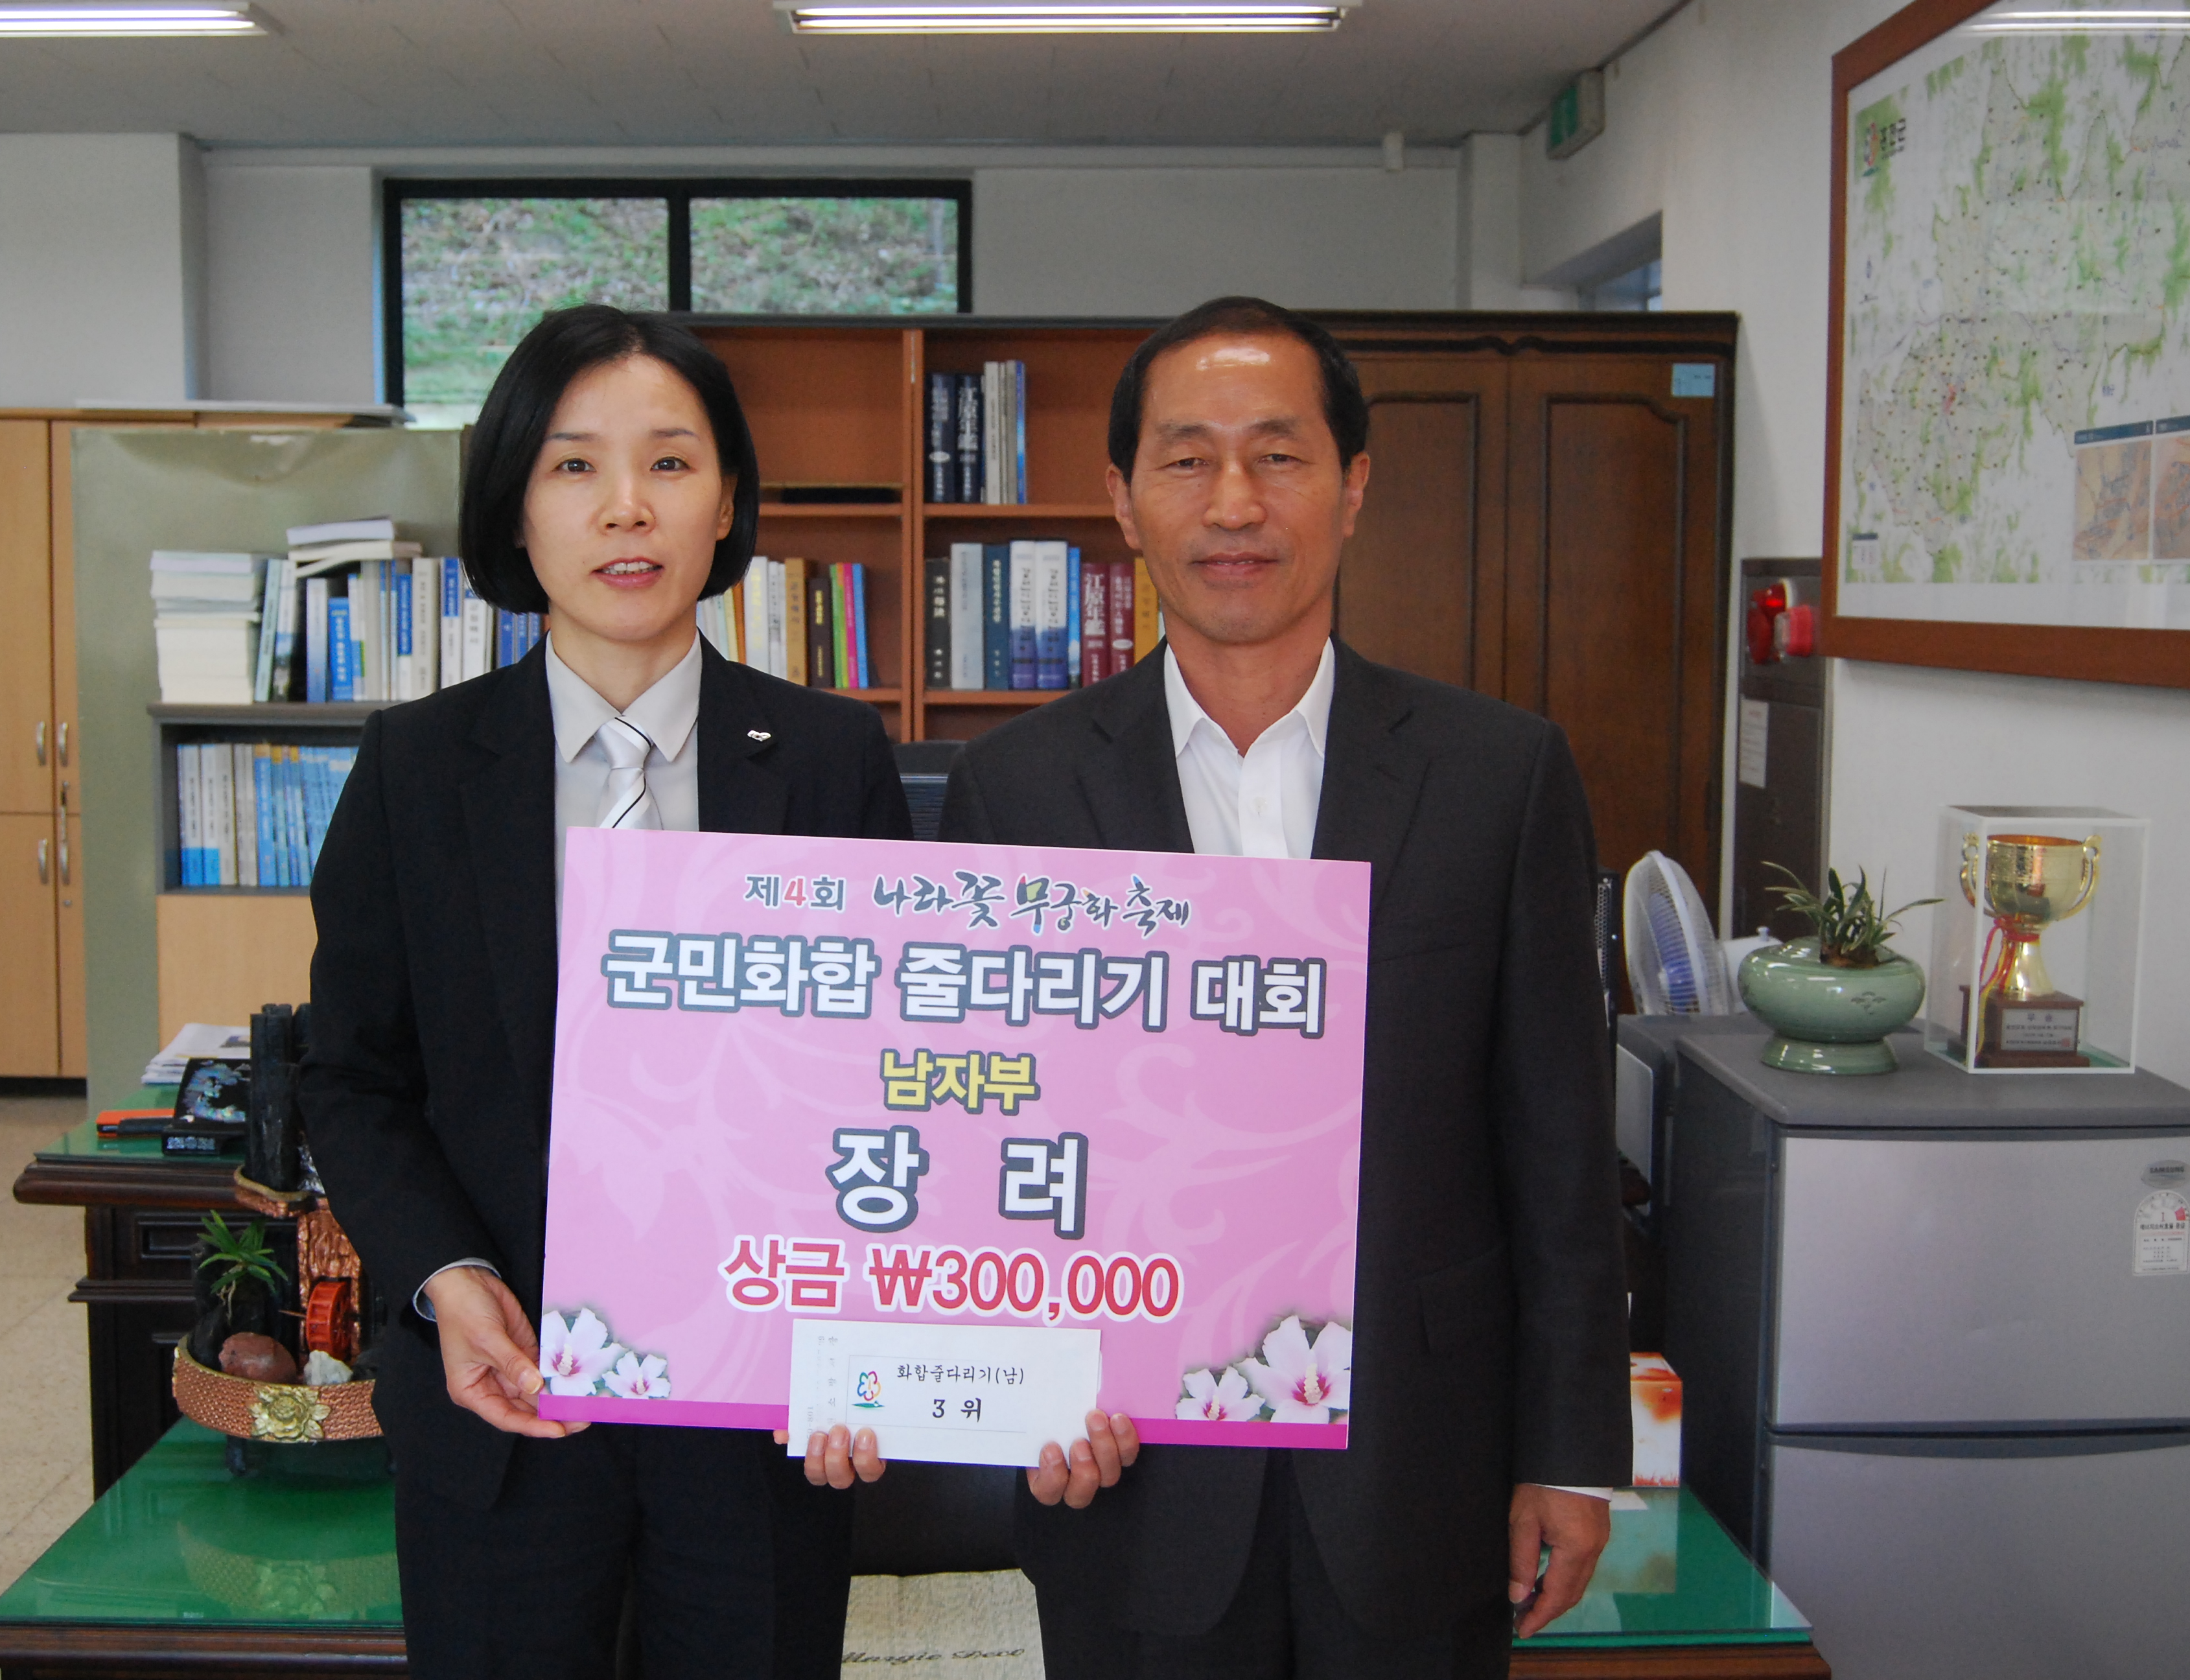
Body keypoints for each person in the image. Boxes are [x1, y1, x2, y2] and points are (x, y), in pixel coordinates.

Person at [935, 296, 1631, 1679]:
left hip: (1420, 1462)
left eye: (1279, 455)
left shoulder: (1499, 775)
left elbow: (1559, 1144)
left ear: (1353, 486)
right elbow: (982, 1139)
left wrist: (1568, 1452)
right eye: (1187, 459)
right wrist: (1013, 1400)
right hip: (1126, 1468)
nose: (1234, 503)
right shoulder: (1015, 789)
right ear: (1123, 500)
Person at [302, 304, 911, 1680]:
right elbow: (353, 1077)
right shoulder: (415, 770)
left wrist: (870, 1337)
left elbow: (886, 1077)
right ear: (515, 511)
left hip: (761, 1420)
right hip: (506, 1403)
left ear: (727, 504)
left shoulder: (830, 761)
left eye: (670, 463)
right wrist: (449, 1281)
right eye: (574, 466)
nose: (626, 508)